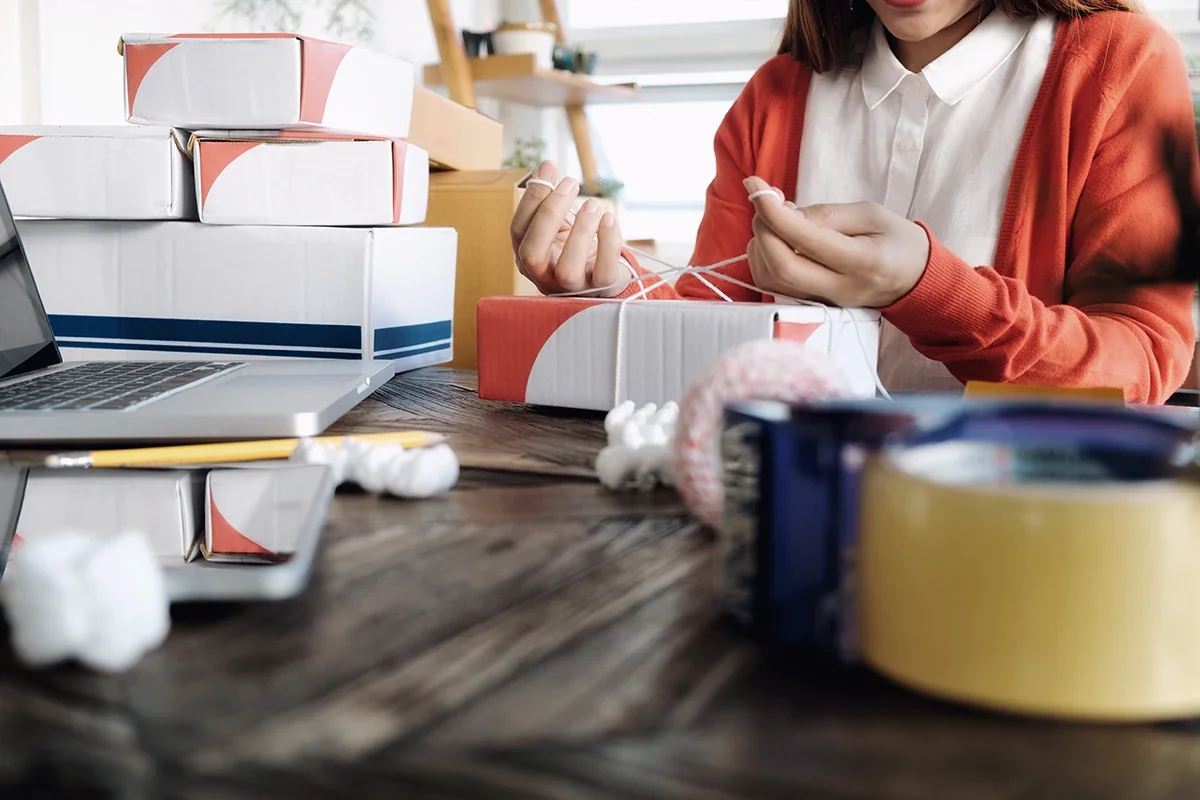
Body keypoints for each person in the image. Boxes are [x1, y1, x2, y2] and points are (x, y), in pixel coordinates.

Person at [508, 0, 1200, 404]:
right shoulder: (778, 94)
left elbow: (1140, 364)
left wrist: (932, 291)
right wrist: (603, 283)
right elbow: (714, 330)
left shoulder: (1117, 63)